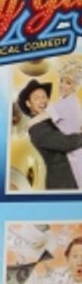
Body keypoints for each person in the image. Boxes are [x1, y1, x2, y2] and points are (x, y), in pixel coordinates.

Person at [19, 77, 82, 190]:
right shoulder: (37, 128)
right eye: (37, 98)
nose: (42, 101)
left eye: (44, 97)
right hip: (62, 183)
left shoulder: (53, 120)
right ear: (28, 103)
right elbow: (66, 143)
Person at [48, 57, 82, 187]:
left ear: (74, 87)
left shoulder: (65, 104)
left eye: (68, 83)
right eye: (61, 80)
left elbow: (42, 116)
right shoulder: (73, 102)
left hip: (74, 157)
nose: (62, 85)